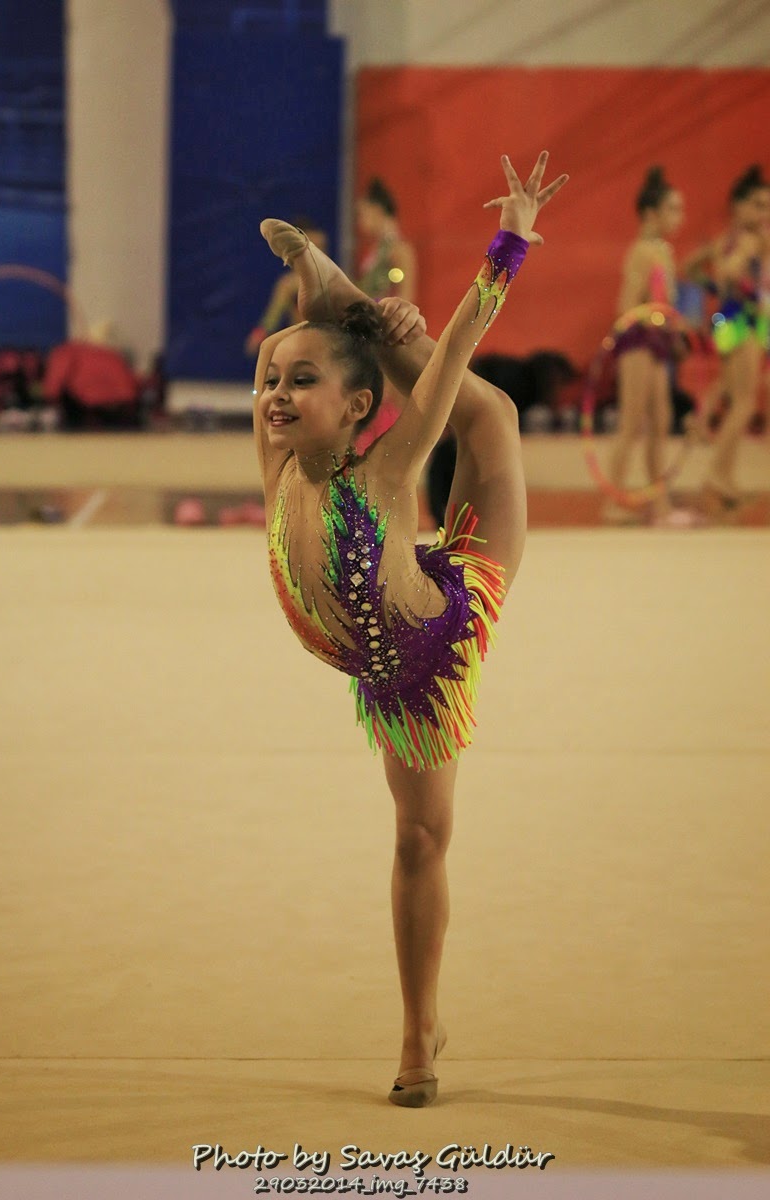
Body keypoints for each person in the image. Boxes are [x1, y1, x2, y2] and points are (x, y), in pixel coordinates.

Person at [252, 151, 568, 1106]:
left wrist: (511, 242)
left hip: (436, 644)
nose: (274, 396)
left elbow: (460, 349)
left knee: (487, 410)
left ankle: (415, 1035)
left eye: (299, 382)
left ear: (357, 409)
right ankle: (346, 303)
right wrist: (328, 320)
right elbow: (300, 373)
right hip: (381, 652)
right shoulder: (279, 455)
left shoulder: (385, 471)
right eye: (270, 379)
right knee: (486, 412)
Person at [605, 166, 692, 525]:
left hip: (656, 344)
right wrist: (662, 322)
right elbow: (627, 307)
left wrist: (674, 330)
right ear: (651, 214)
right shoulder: (642, 251)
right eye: (673, 209)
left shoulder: (663, 251)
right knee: (632, 422)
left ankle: (660, 504)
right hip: (638, 343)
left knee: (660, 422)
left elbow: (663, 305)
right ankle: (612, 502)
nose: (680, 217)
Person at [699, 164, 770, 515]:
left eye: (767, 206)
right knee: (743, 403)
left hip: (727, 317)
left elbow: (692, 267)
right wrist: (735, 276)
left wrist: (716, 286)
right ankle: (716, 475)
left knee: (735, 396)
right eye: (758, 205)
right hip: (742, 319)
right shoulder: (750, 239)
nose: (764, 212)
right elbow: (731, 270)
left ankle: (725, 477)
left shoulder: (724, 239)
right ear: (738, 206)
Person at [353, 179, 418, 455]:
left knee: (387, 398)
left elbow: (406, 299)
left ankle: (388, 453)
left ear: (378, 210)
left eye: (363, 214)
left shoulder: (398, 250)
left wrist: (391, 339)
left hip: (388, 335)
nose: (360, 222)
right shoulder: (377, 252)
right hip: (371, 334)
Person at [244, 218, 329, 357]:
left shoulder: (330, 280)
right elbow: (272, 317)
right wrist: (259, 334)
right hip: (302, 342)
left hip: (326, 342)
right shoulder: (289, 284)